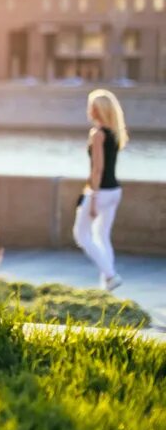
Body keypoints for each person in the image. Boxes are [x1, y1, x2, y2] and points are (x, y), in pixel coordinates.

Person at [73, 89, 128, 291]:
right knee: (102, 236)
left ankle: (111, 276)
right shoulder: (115, 133)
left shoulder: (97, 134)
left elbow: (97, 169)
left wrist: (93, 198)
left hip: (101, 192)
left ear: (96, 110)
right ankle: (107, 284)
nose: (89, 110)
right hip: (114, 191)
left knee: (81, 235)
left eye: (91, 106)